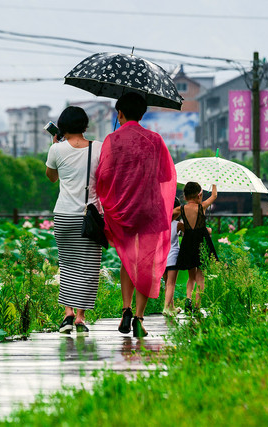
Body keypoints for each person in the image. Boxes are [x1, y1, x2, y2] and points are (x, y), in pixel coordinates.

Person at [96, 92, 177, 337]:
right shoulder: (155, 140)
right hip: (150, 211)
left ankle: (125, 309)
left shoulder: (112, 140)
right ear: (142, 114)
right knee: (146, 263)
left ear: (120, 113)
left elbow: (103, 177)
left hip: (123, 210)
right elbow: (165, 176)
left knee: (127, 259)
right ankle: (139, 319)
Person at [45, 106, 103, 337]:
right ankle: (80, 318)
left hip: (64, 215)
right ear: (85, 125)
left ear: (62, 126)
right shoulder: (98, 148)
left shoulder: (56, 149)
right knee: (88, 269)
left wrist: (55, 145)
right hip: (90, 216)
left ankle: (67, 314)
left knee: (67, 265)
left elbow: (51, 178)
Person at [173, 182, 218, 313]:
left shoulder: (181, 209)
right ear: (200, 195)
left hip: (188, 243)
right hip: (202, 242)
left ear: (185, 196)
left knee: (191, 276)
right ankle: (197, 306)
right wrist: (214, 182)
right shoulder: (202, 206)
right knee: (200, 277)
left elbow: (168, 216)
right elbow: (214, 195)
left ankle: (188, 298)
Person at [162, 197, 183, 317]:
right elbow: (191, 231)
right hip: (173, 257)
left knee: (167, 283)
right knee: (171, 284)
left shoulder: (160, 224)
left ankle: (172, 307)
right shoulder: (178, 225)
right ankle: (166, 308)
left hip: (161, 258)